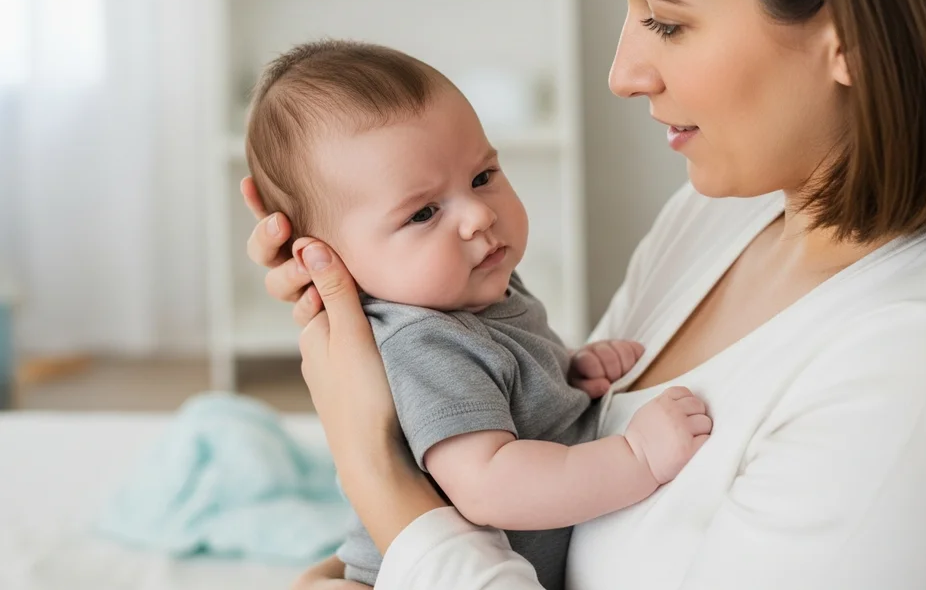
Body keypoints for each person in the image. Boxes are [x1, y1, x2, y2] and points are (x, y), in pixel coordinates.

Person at [242, 0, 926, 587]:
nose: (623, 72)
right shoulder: (727, 212)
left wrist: (373, 465)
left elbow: (444, 505)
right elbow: (552, 437)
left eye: (665, 21)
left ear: (851, 30)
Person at [243, 40, 711, 588]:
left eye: (482, 176)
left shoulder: (480, 287)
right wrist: (635, 457)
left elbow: (506, 390)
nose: (477, 216)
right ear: (328, 260)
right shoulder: (425, 342)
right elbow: (490, 484)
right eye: (422, 213)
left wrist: (565, 375)